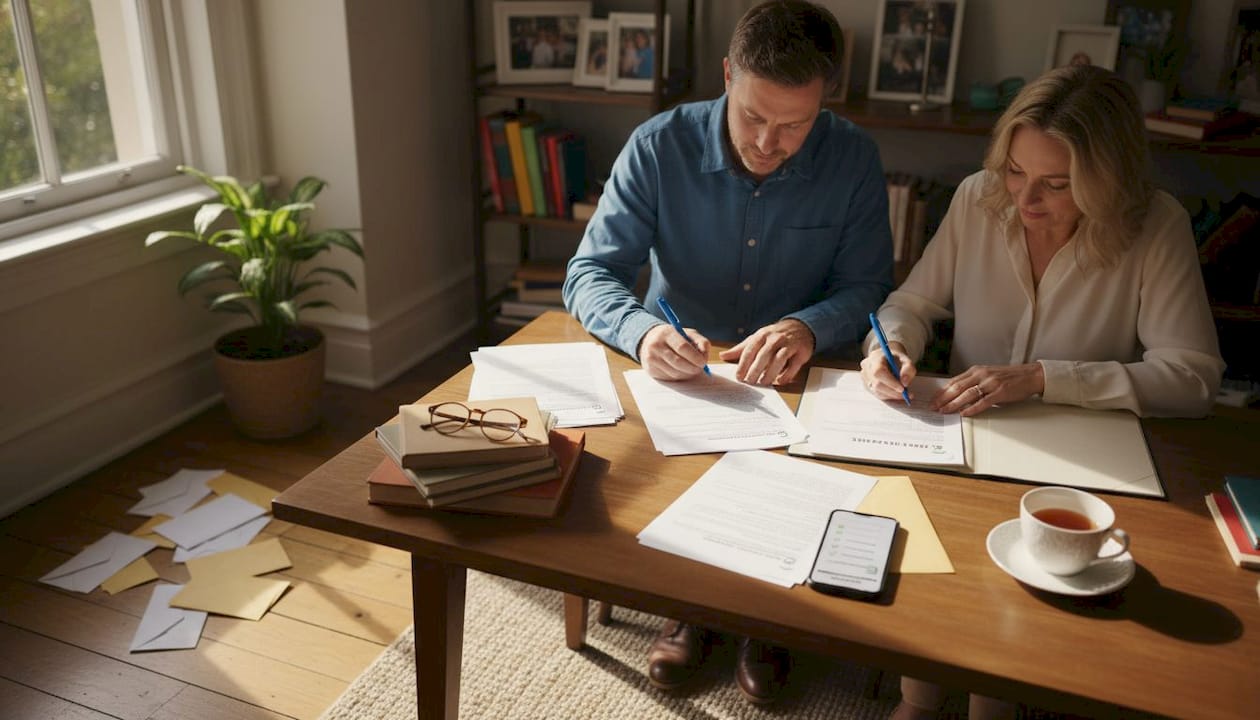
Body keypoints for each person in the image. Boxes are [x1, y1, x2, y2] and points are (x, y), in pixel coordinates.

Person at [858, 64, 1224, 719]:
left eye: (1056, 184)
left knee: (1017, 603)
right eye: (1016, 172)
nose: (1025, 201)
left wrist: (1046, 377)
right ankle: (918, 699)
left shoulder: (1156, 225)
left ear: (1109, 180)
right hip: (965, 435)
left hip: (1077, 459)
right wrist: (892, 347)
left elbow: (1194, 377)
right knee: (929, 547)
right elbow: (910, 302)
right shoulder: (977, 198)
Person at [563, 0, 892, 705]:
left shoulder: (856, 158)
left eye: (794, 125)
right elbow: (589, 274)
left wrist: (806, 325)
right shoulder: (658, 144)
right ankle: (693, 606)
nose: (769, 141)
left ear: (824, 102)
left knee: (809, 474)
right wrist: (643, 332)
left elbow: (868, 285)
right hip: (682, 376)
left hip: (802, 381)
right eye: (753, 117)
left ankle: (766, 623)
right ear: (726, 75)